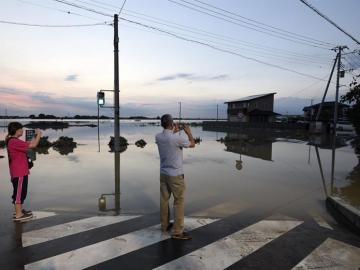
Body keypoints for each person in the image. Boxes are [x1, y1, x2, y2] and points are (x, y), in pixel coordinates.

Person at [155, 114, 195, 240]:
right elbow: (192, 144)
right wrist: (188, 132)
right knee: (179, 202)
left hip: (163, 174)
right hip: (176, 176)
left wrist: (175, 131)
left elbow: (169, 139)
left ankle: (165, 225)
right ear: (172, 124)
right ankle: (177, 232)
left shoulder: (158, 136)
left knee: (164, 200)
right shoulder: (177, 139)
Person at [6, 122, 42, 221]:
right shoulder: (14, 141)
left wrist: (34, 136)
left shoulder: (14, 140)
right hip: (19, 172)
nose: (22, 131)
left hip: (21, 171)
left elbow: (29, 144)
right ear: (16, 130)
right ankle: (18, 215)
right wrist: (38, 134)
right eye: (21, 129)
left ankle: (20, 211)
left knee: (22, 192)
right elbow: (33, 145)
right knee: (19, 193)